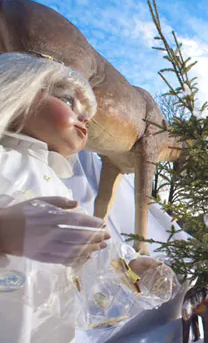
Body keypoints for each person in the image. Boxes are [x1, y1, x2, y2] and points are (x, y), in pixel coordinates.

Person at [0, 53, 177, 343]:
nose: (84, 118)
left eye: (88, 114)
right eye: (69, 101)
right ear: (20, 88)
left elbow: (92, 252)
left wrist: (131, 269)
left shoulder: (59, 186)